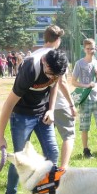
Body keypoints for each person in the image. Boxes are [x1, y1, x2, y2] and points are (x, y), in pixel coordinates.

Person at [0, 48, 69, 194]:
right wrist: (0, 135)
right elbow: (9, 103)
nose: (52, 78)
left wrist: (51, 109)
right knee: (19, 158)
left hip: (43, 114)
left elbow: (54, 86)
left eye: (56, 75)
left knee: (52, 152)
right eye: (50, 74)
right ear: (44, 62)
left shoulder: (57, 68)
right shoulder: (30, 69)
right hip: (22, 115)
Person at [31, 25, 78, 170]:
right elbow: (61, 82)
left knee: (48, 141)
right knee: (69, 136)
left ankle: (47, 168)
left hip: (41, 106)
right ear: (57, 40)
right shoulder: (56, 56)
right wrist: (71, 104)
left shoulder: (35, 54)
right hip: (59, 104)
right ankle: (63, 169)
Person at [72, 38, 97, 158]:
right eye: (88, 49)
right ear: (84, 49)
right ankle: (86, 150)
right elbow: (73, 81)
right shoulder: (79, 63)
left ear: (95, 49)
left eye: (92, 48)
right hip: (85, 99)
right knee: (85, 126)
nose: (90, 51)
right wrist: (86, 85)